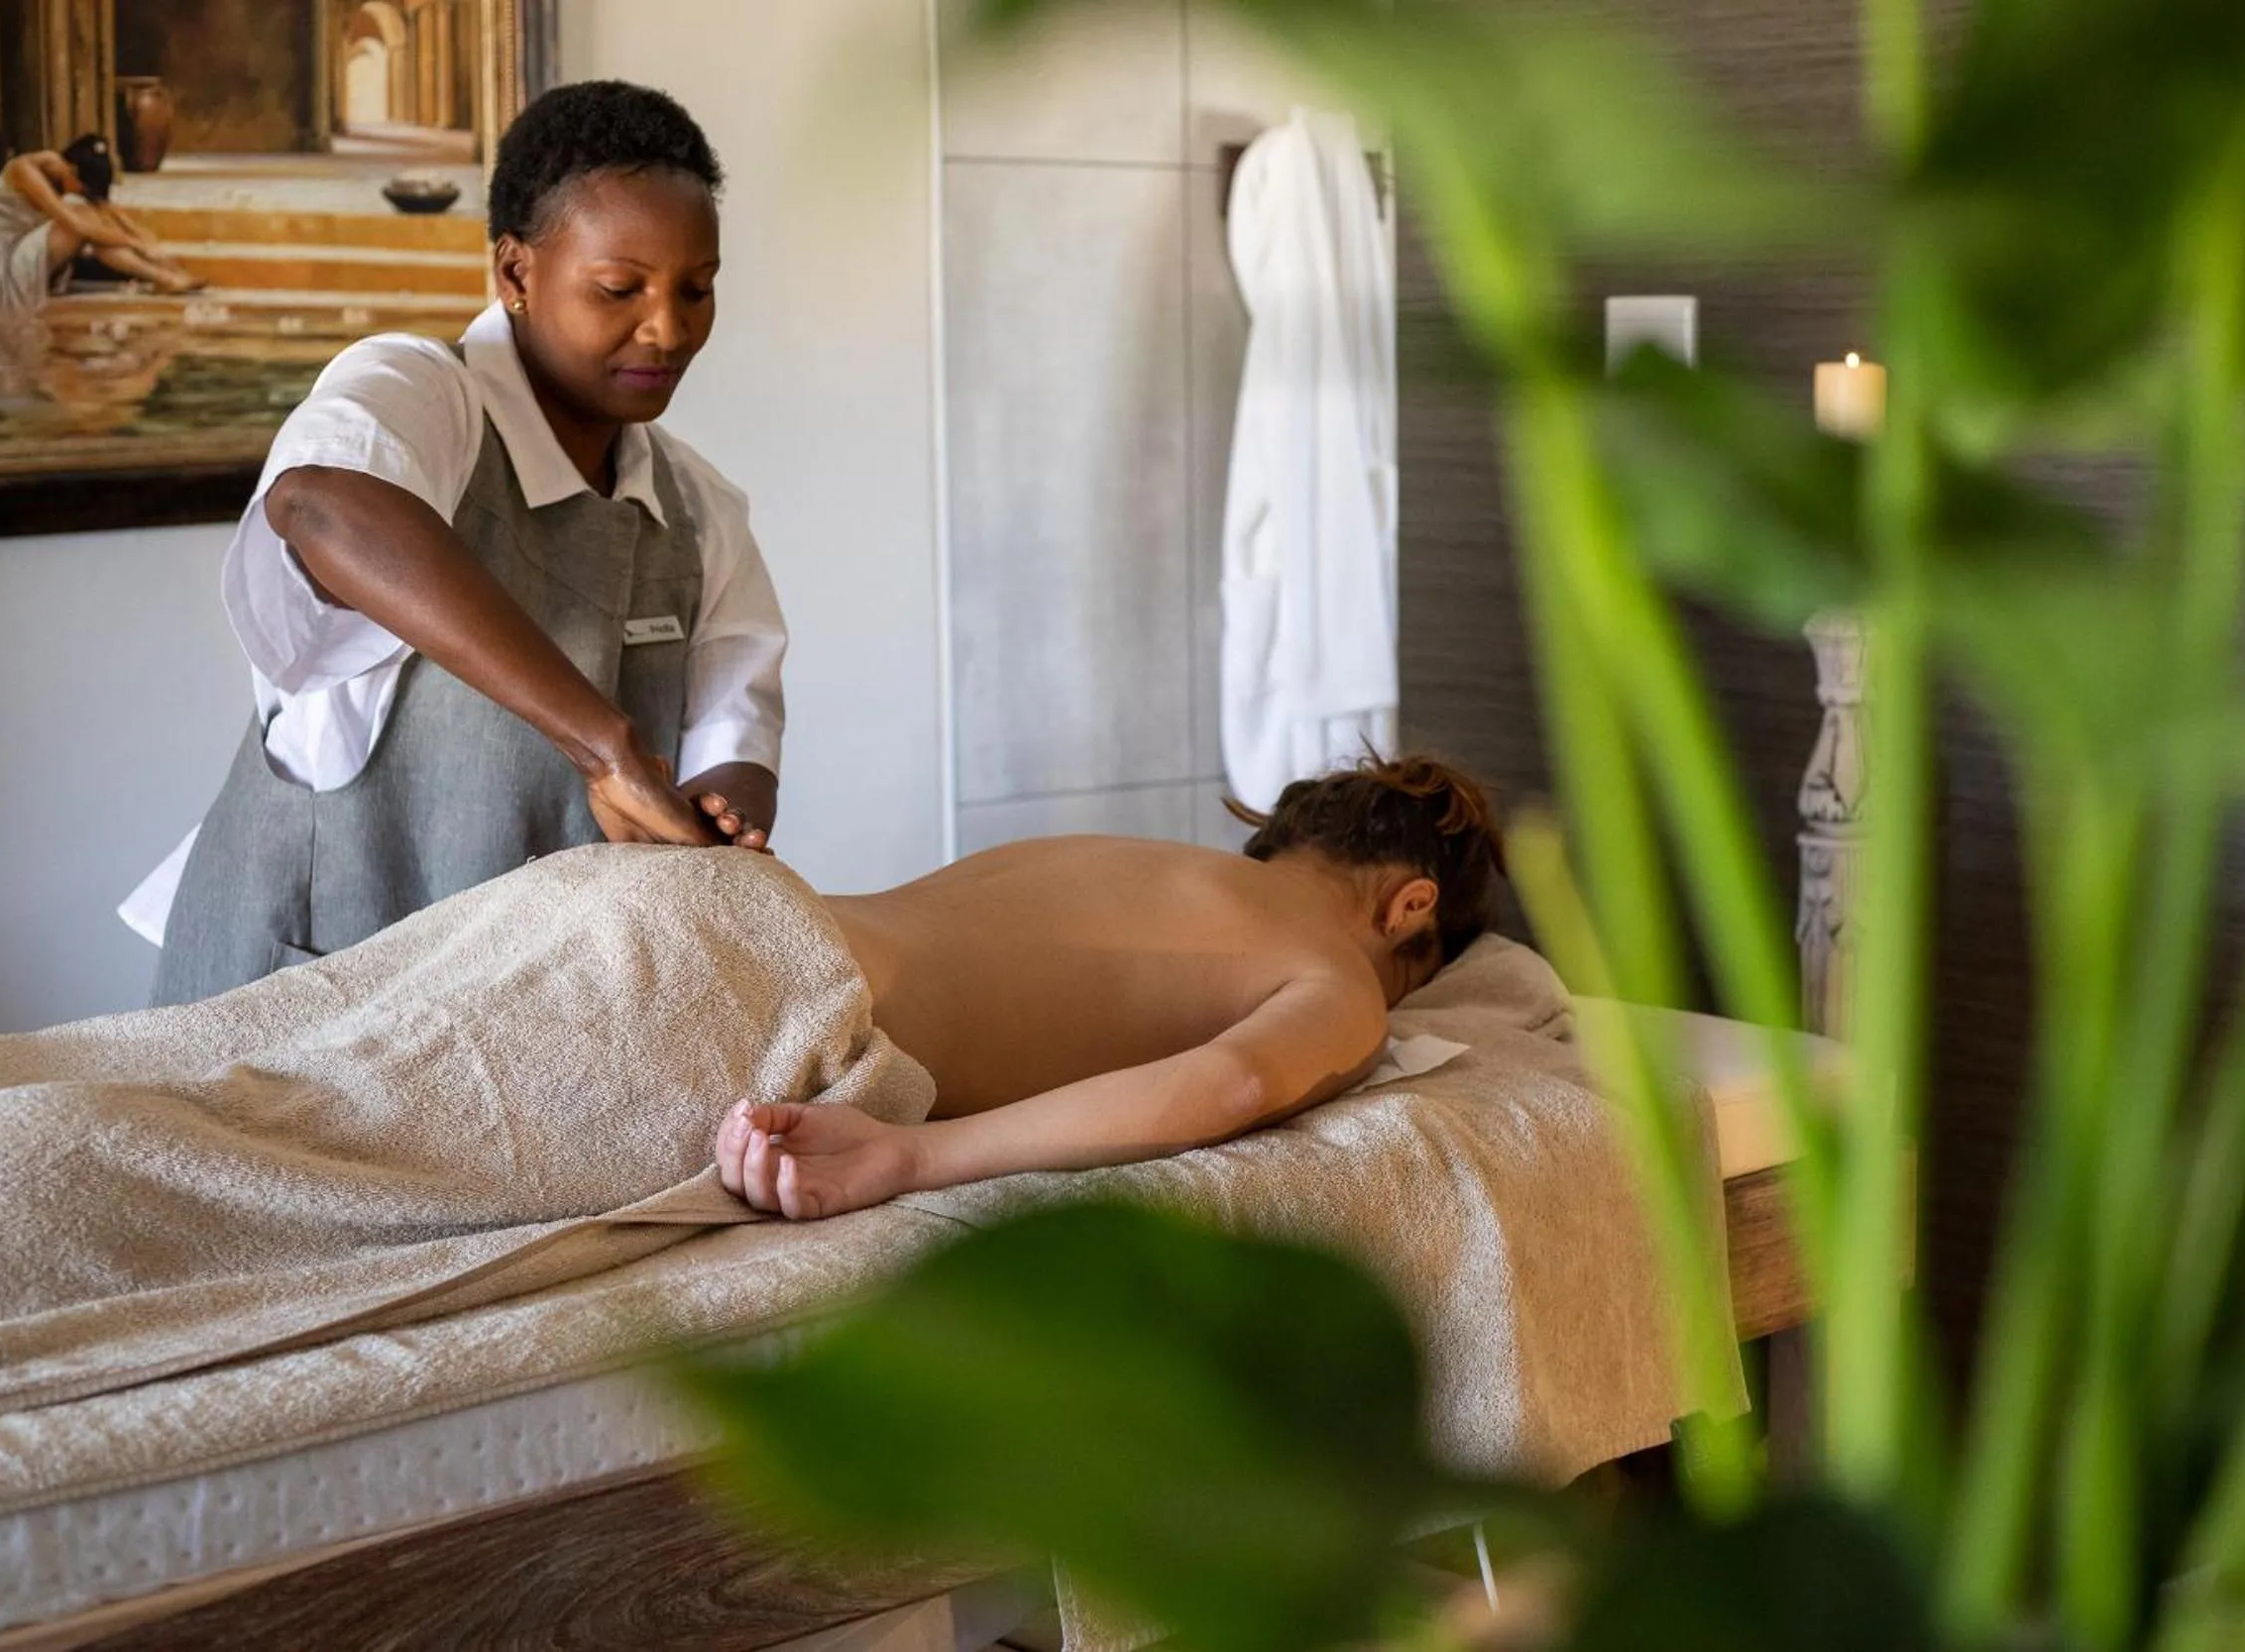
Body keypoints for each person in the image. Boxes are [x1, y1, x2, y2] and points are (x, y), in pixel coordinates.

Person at [132, 80, 789, 1006]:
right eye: (619, 289)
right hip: (299, 1005)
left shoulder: (700, 510)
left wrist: (719, 823)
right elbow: (323, 508)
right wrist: (602, 746)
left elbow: (735, 736)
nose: (668, 328)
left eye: (697, 289)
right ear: (515, 274)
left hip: (511, 1024)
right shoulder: (419, 395)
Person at [726, 753, 1506, 1220]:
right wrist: (910, 1157)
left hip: (738, 903)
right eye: (1411, 982)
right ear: (1410, 907)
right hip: (787, 1002)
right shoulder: (1340, 975)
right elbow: (1232, 1084)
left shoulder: (1128, 858)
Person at [0, 135, 200, 323]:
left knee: (94, 216)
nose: (81, 191)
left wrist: (157, 251)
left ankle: (166, 277)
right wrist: (136, 245)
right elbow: (75, 224)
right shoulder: (25, 170)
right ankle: (161, 278)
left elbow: (113, 213)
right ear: (71, 170)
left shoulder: (71, 175)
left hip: (29, 255)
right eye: (82, 185)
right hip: (0, 263)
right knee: (81, 222)